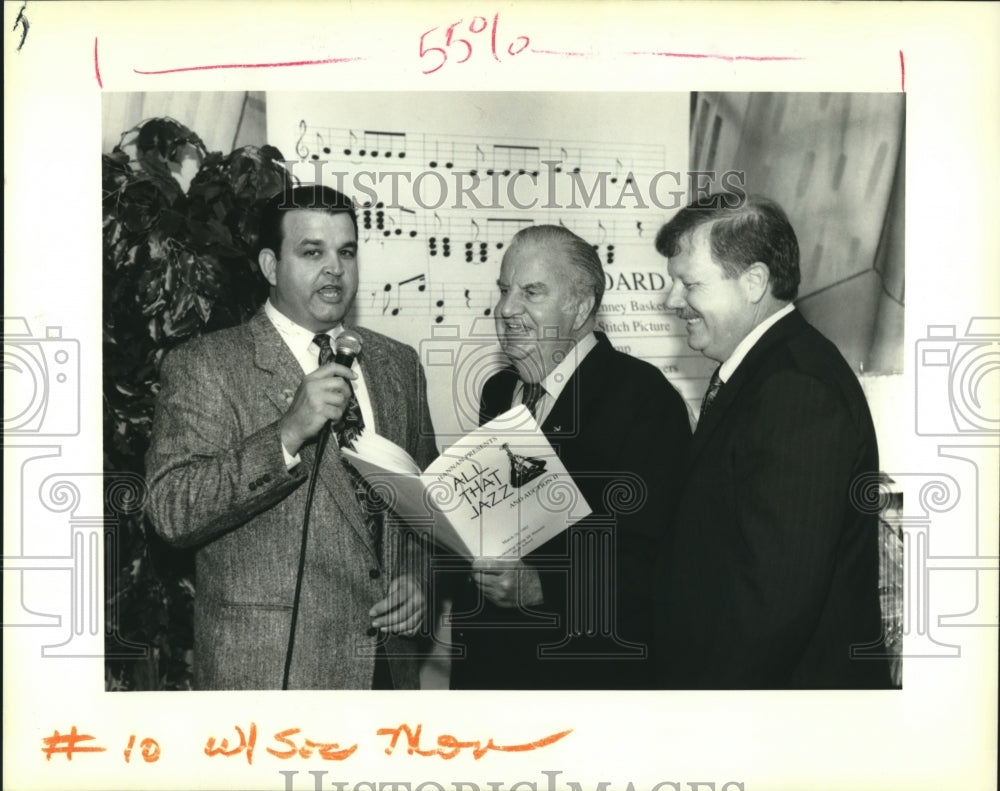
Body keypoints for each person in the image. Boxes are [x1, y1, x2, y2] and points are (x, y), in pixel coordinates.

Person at [146, 185, 438, 690]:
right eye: (312, 252)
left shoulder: (398, 366)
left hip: (388, 673)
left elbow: (429, 505)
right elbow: (171, 510)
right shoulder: (207, 365)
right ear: (269, 265)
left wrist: (420, 581)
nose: (335, 269)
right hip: (273, 673)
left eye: (346, 252)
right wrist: (285, 432)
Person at [652, 194, 891, 689]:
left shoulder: (796, 391)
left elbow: (772, 605)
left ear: (754, 282)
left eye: (689, 283)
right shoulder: (769, 372)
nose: (671, 301)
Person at [448, 224, 691, 689]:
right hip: (489, 677)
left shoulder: (644, 400)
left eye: (531, 292)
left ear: (581, 307)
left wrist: (543, 586)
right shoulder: (499, 391)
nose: (506, 309)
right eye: (504, 290)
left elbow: (656, 561)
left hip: (582, 681)